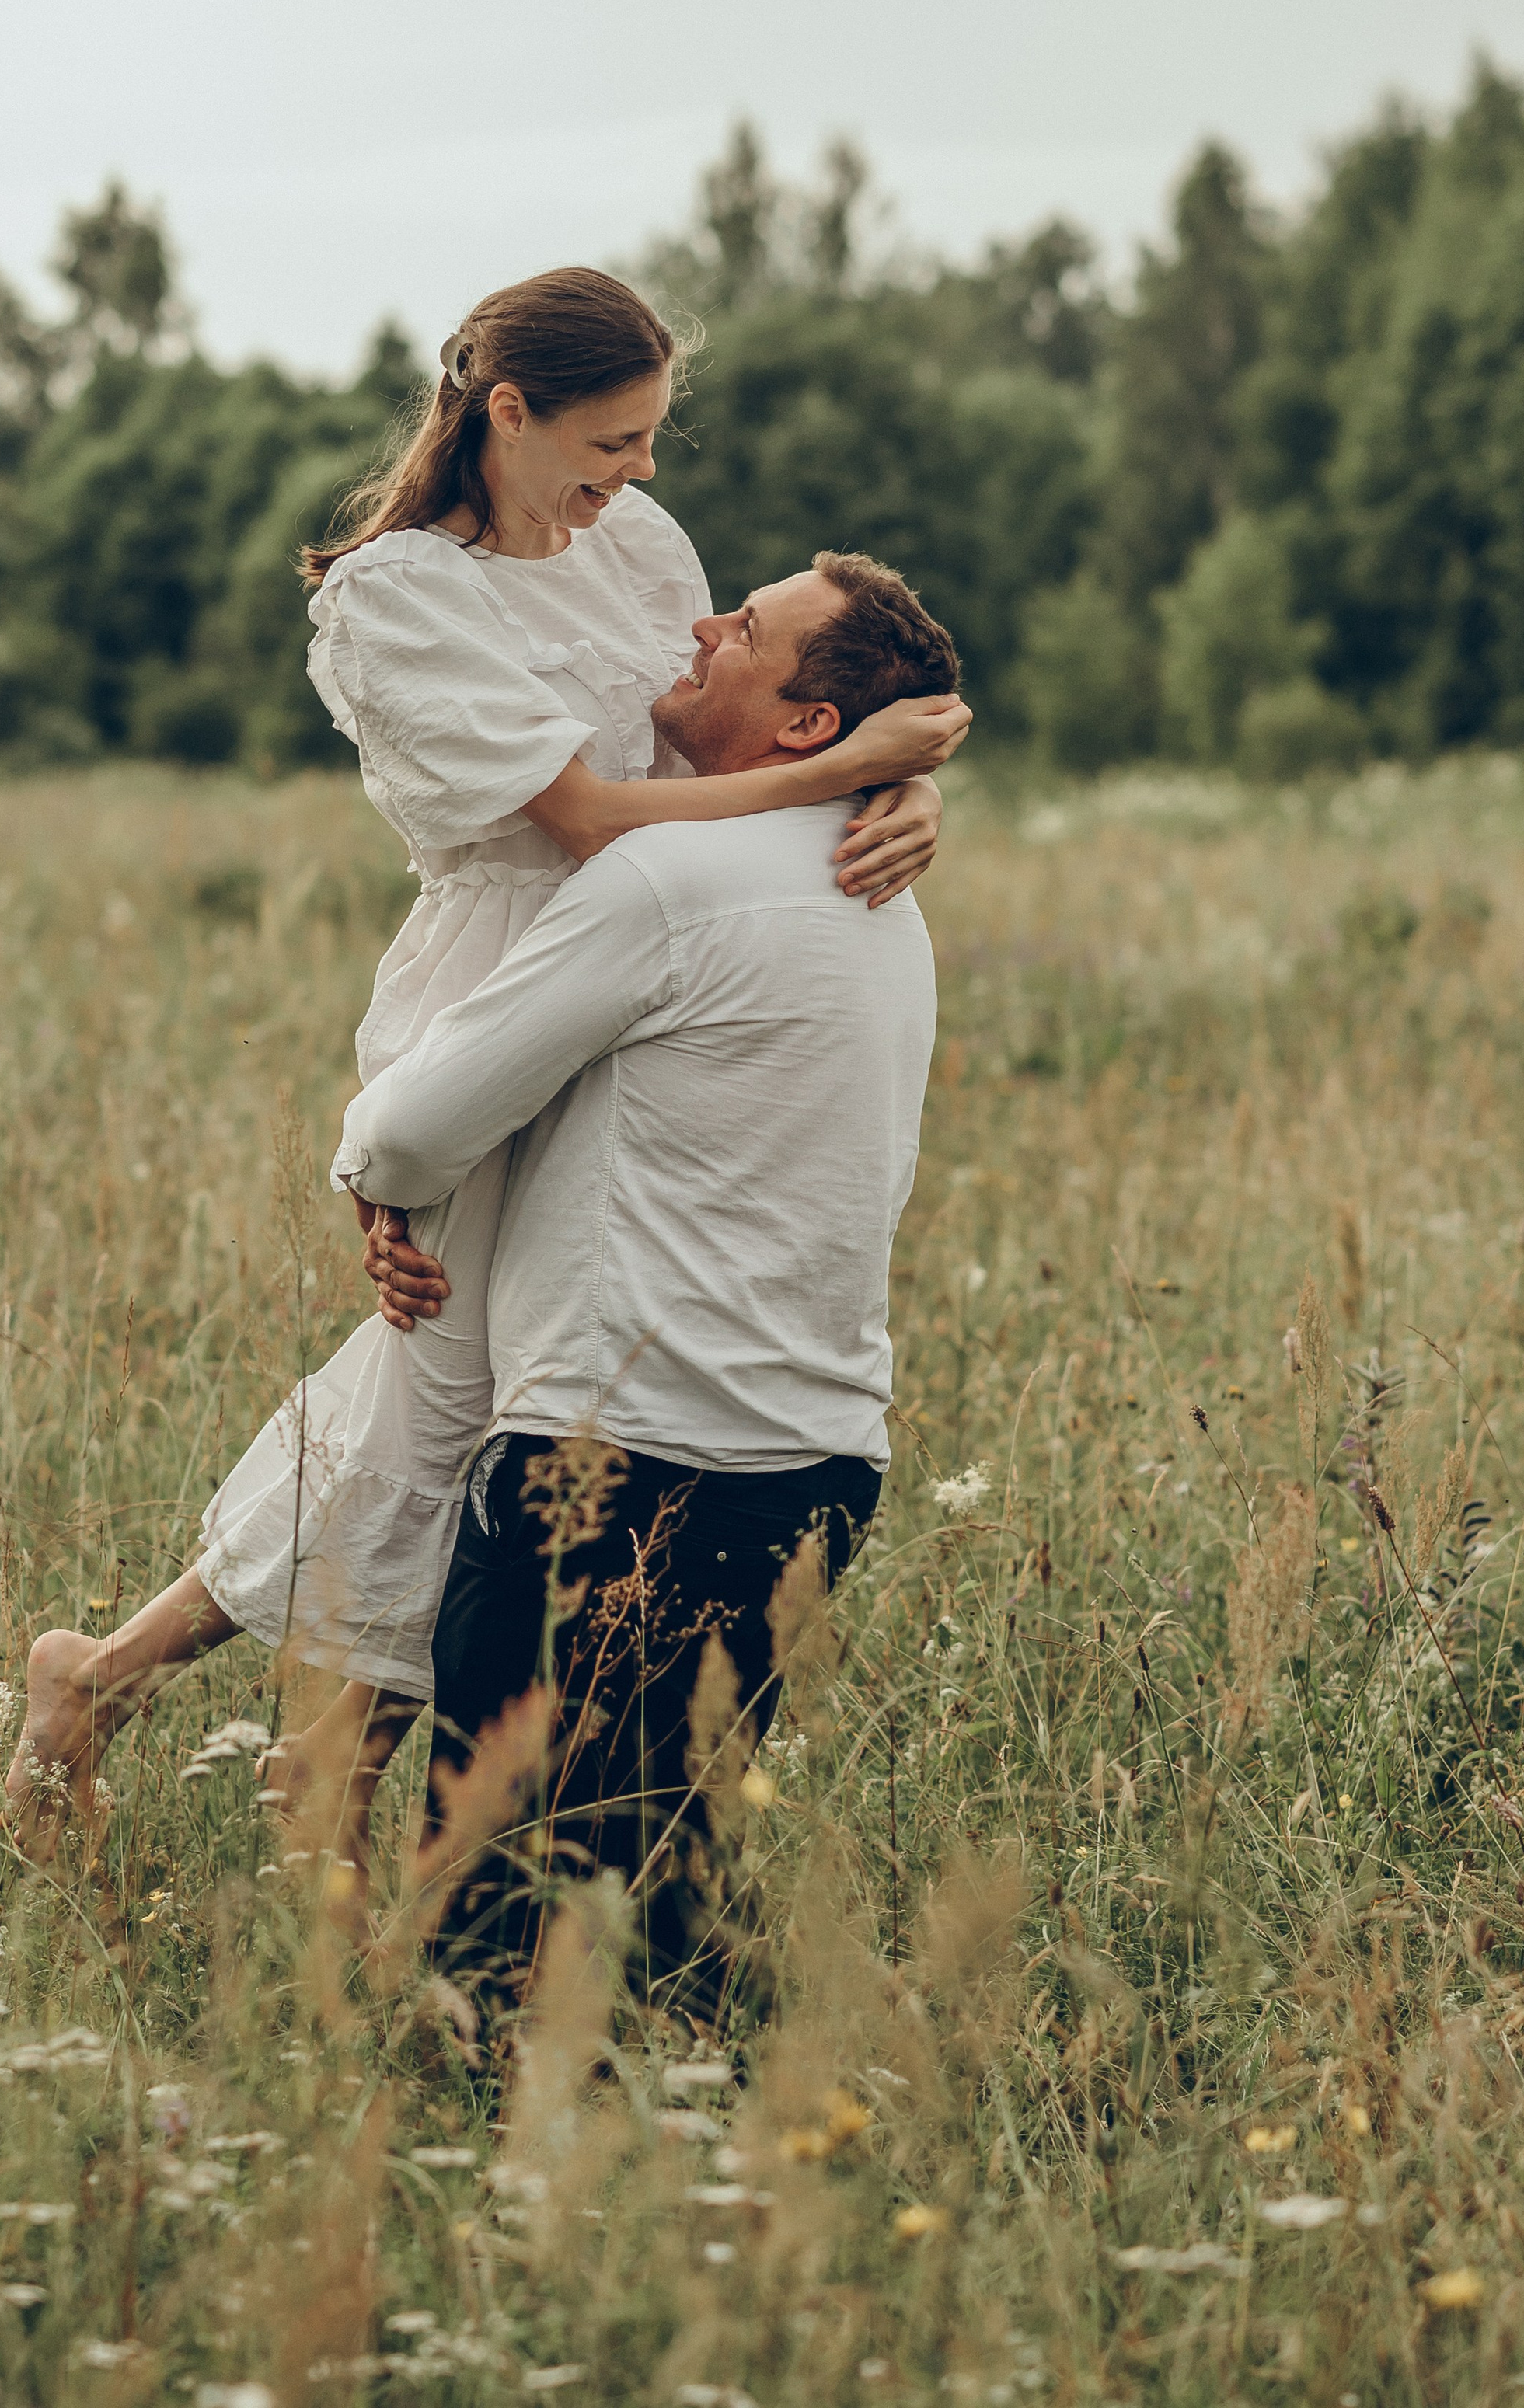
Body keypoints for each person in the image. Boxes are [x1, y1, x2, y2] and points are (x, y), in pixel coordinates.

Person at [5, 269, 967, 1859]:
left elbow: (741, 723)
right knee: (444, 1398)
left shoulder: (640, 545)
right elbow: (581, 816)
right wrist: (845, 769)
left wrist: (883, 800)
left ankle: (137, 1691)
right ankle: (263, 1758)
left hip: (649, 979)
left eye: (652, 438)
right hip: (504, 973)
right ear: (504, 412)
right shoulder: (397, 593)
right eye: (613, 438)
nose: (640, 475)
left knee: (467, 1402)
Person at [336, 550, 952, 2002]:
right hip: (815, 1468)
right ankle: (673, 2194)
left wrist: (386, 1191)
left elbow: (416, 1120)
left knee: (491, 1943)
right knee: (659, 1917)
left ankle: (530, 2199)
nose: (704, 623)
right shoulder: (889, 893)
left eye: (747, 630)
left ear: (808, 727)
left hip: (609, 1471)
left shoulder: (670, 878)